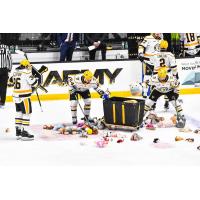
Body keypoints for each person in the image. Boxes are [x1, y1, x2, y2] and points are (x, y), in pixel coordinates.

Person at [9, 59, 39, 140]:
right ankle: (24, 132)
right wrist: (35, 79)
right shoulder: (26, 72)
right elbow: (34, 83)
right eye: (28, 65)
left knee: (19, 112)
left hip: (15, 96)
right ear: (25, 65)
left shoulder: (15, 72)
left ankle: (18, 131)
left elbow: (10, 82)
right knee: (27, 113)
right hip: (24, 96)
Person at [151, 40, 178, 110]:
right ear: (167, 46)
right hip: (166, 74)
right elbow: (173, 67)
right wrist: (175, 76)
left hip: (156, 74)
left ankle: (153, 103)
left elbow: (150, 63)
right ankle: (166, 102)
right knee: (167, 88)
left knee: (154, 87)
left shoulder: (154, 54)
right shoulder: (170, 55)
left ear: (159, 46)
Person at [138, 33, 163, 98]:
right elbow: (141, 46)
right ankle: (145, 92)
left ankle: (156, 93)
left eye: (159, 33)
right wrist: (140, 53)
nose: (158, 34)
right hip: (148, 61)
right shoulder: (148, 38)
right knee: (147, 76)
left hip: (157, 62)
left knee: (156, 77)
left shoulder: (161, 39)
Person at [0, 44, 12, 108]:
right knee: (3, 87)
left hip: (4, 70)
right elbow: (9, 59)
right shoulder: (6, 47)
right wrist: (9, 69)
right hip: (4, 70)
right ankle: (2, 103)